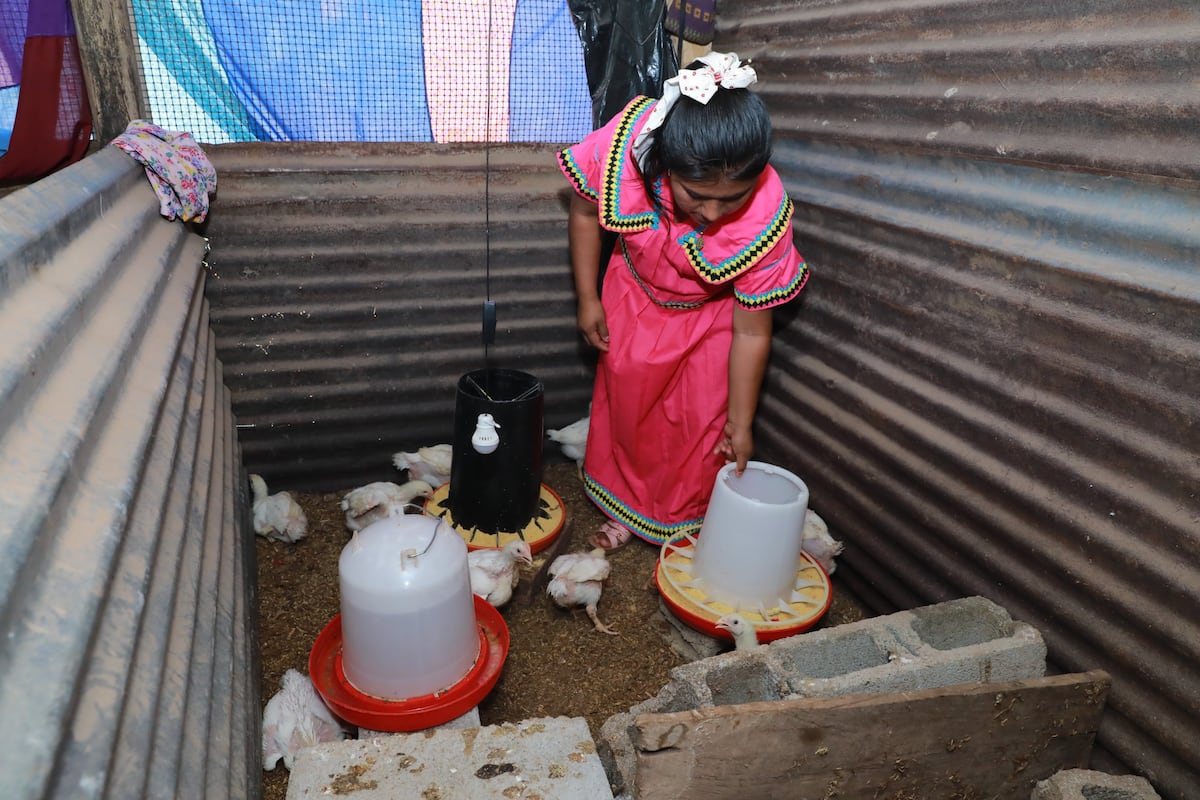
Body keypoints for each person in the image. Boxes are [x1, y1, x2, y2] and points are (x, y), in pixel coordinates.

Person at [556, 52, 809, 550]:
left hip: (711, 322)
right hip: (634, 300)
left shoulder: (765, 215)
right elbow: (586, 215)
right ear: (666, 163)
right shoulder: (627, 148)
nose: (713, 213)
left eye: (731, 199)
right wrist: (587, 298)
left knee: (699, 426)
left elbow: (752, 329)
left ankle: (681, 521)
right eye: (696, 194)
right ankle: (624, 509)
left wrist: (741, 422)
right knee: (629, 411)